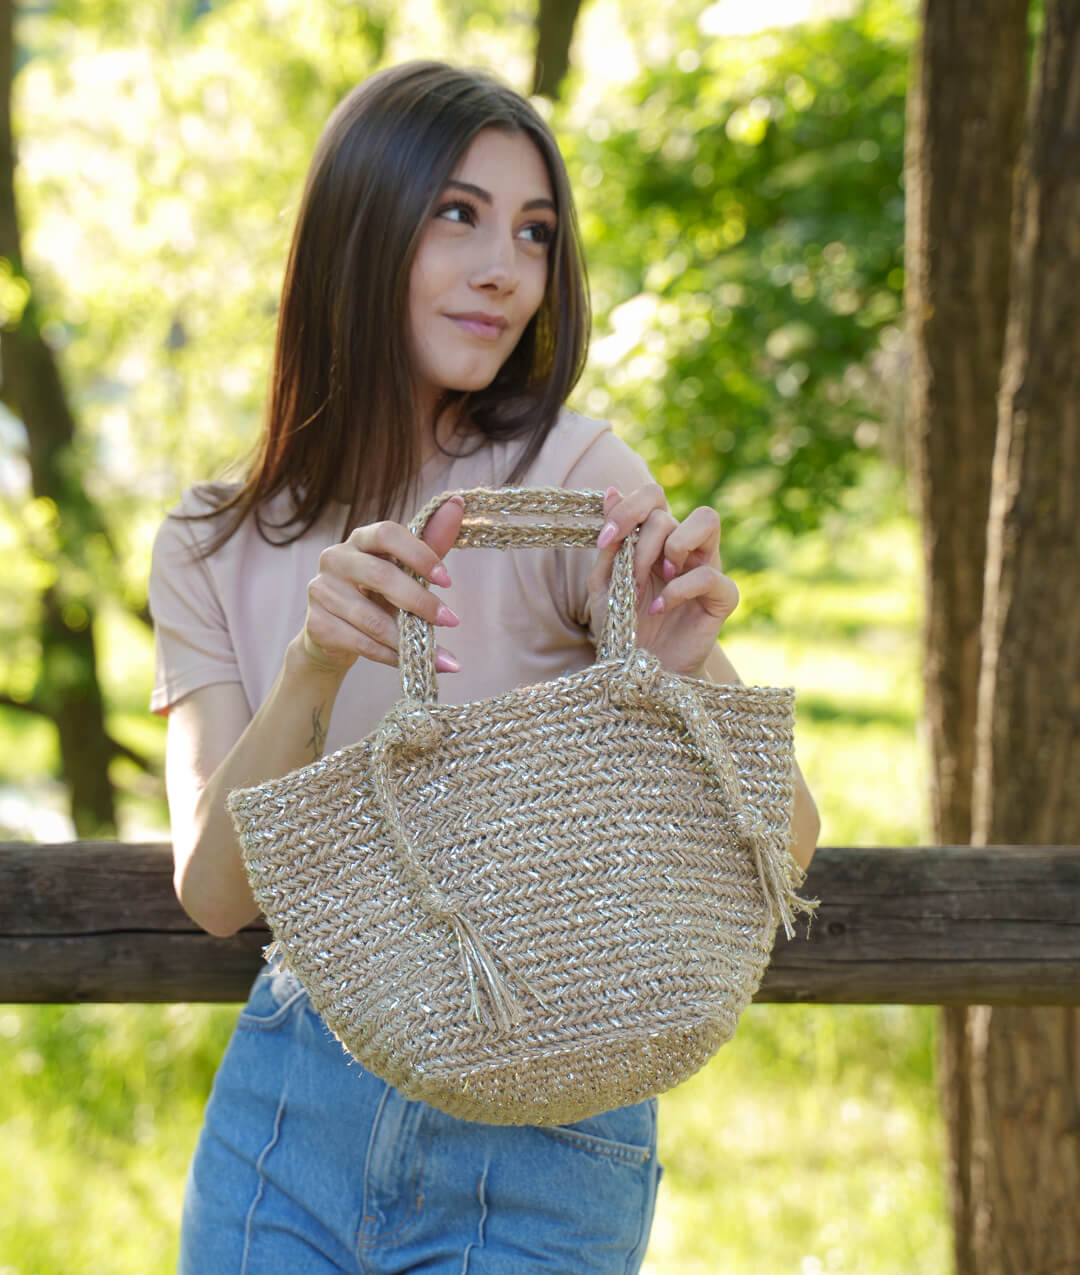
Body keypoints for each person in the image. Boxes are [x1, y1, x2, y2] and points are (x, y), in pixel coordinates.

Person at [149, 59, 820, 1275]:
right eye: (457, 213)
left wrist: (680, 673)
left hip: (552, 1134)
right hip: (289, 1114)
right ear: (361, 223)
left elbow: (793, 840)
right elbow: (212, 893)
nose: (506, 268)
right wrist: (315, 663)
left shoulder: (576, 480)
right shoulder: (211, 540)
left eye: (535, 232)